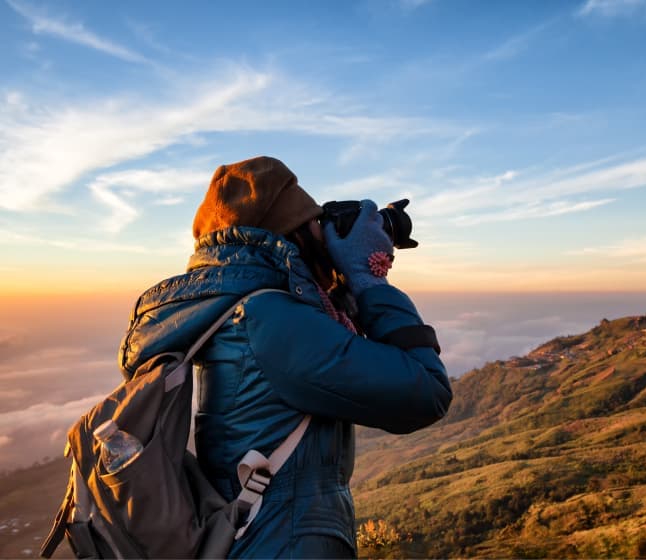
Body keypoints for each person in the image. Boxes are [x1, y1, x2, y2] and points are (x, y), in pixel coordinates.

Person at [118, 156, 452, 558]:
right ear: (290, 232)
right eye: (314, 222)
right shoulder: (269, 320)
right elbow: (425, 391)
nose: (322, 232)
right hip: (283, 545)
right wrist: (367, 280)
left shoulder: (240, 309)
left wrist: (339, 281)